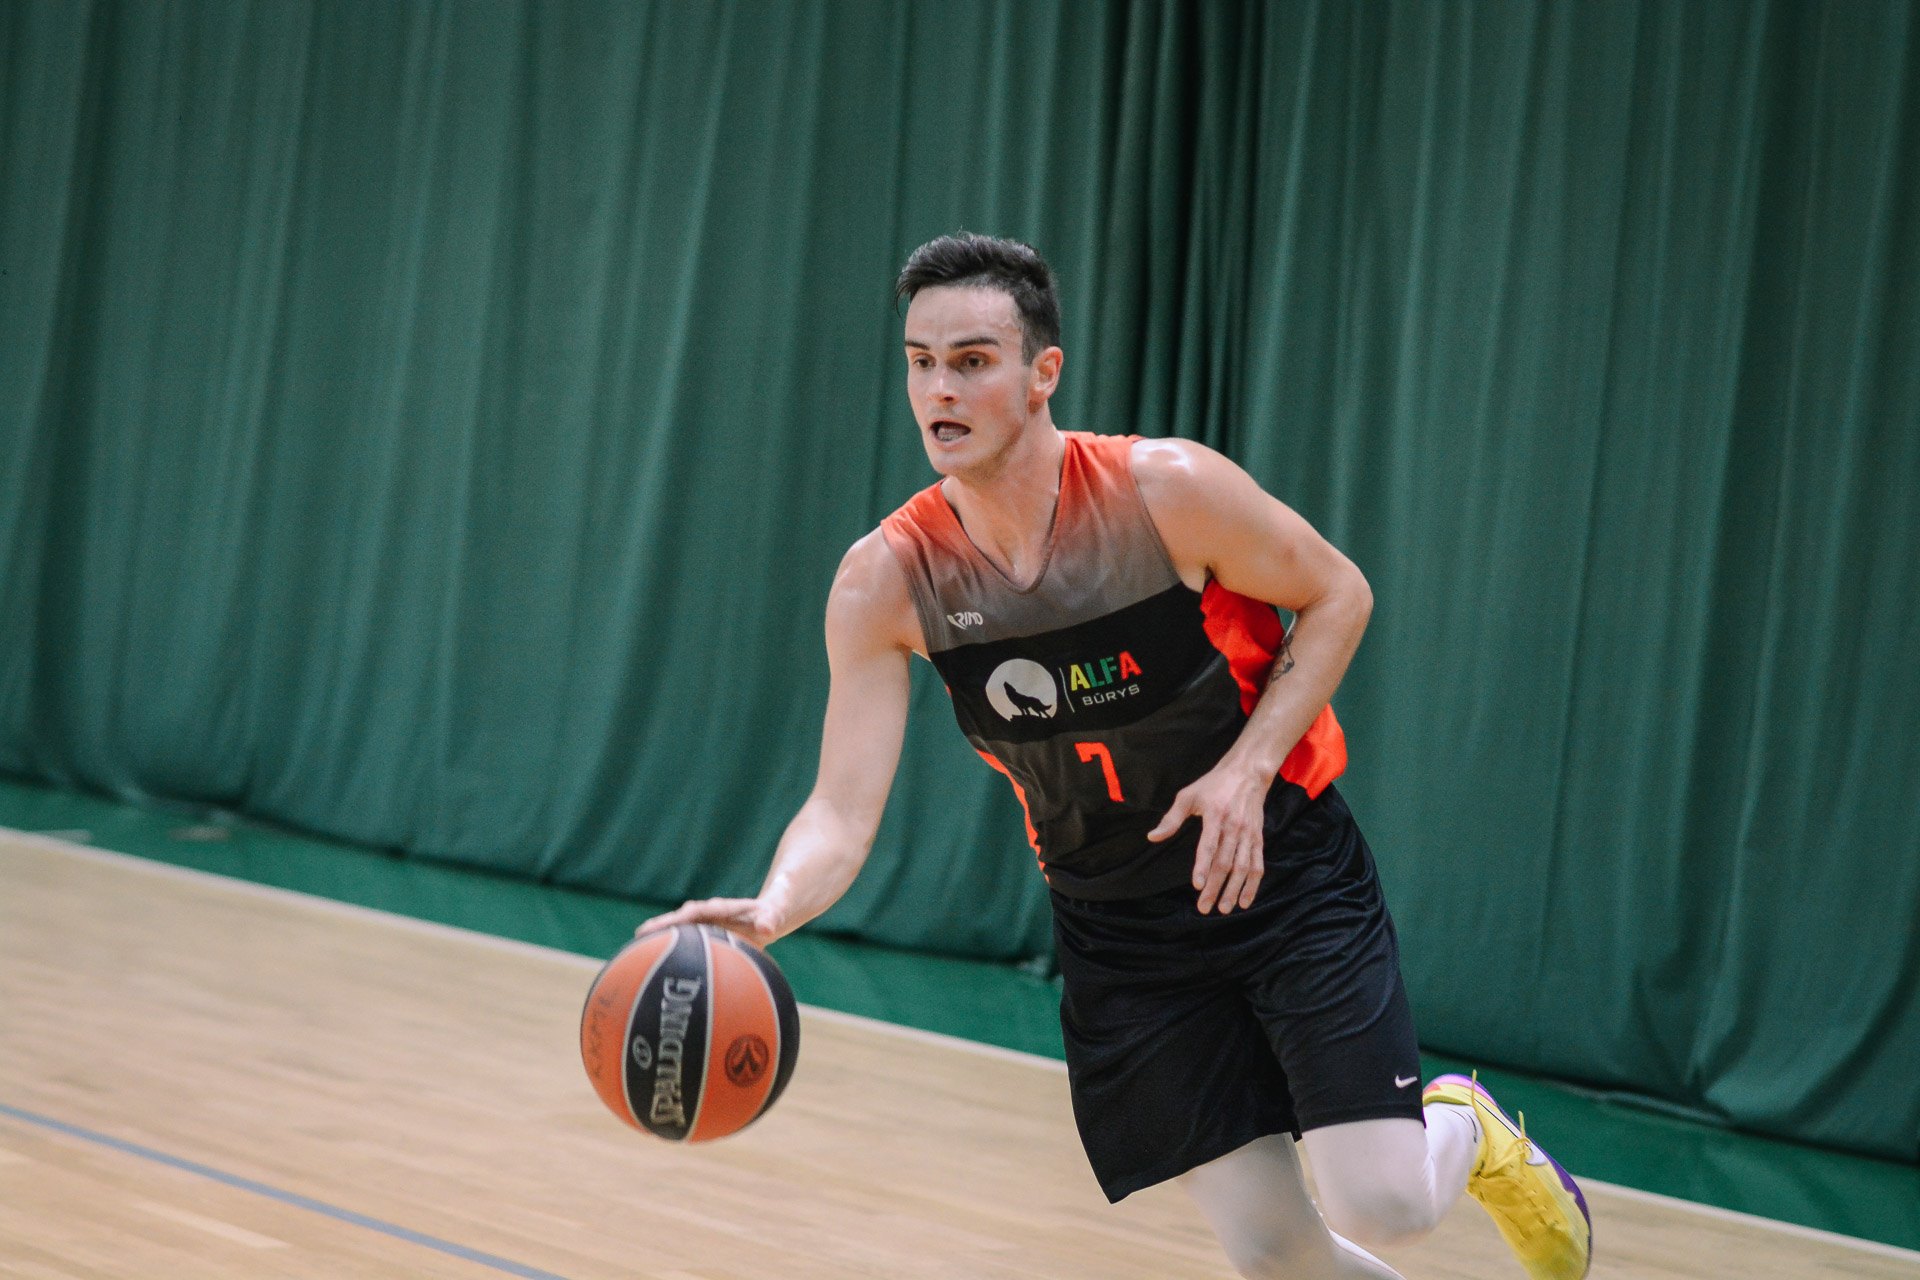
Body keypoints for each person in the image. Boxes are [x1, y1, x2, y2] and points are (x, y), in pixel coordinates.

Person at [641, 233, 1592, 1280]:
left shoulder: (1164, 491)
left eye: (972, 360)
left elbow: (1338, 593)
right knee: (1276, 1253)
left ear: (1042, 372)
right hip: (1121, 927)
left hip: (1280, 872)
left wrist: (1246, 770)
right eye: (920, 362)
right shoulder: (886, 580)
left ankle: (1464, 1124)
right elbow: (840, 809)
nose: (939, 389)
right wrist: (774, 907)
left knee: (1385, 1202)